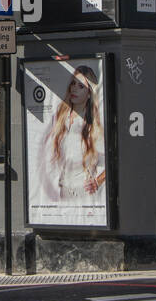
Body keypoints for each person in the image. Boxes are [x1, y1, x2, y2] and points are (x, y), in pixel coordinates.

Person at [35, 65, 106, 204]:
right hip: (63, 190)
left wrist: (97, 182)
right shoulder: (62, 117)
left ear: (90, 92)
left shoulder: (93, 126)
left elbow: (110, 161)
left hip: (84, 194)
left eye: (81, 86)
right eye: (73, 83)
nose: (74, 88)